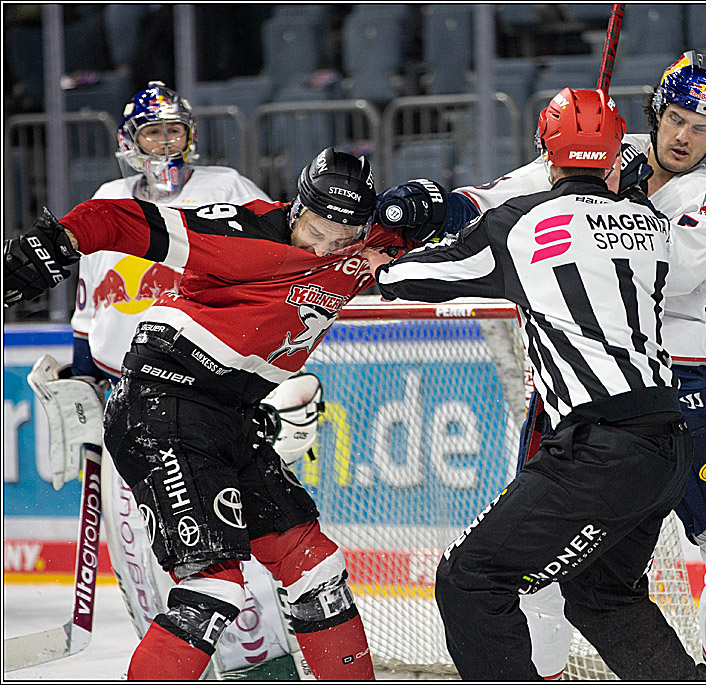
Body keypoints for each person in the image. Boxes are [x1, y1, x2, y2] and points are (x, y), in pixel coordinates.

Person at [374, 51, 706, 679]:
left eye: (702, 128)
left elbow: (665, 274)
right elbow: (501, 197)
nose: (684, 136)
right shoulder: (608, 148)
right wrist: (441, 206)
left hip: (678, 384)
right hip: (575, 388)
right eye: (676, 118)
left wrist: (603, 199)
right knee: (539, 579)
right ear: (656, 112)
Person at [3, 146, 432, 681]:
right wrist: (52, 243)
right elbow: (115, 219)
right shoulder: (239, 232)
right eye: (316, 231)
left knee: (315, 567)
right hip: (163, 406)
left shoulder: (369, 244)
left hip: (231, 415)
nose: (324, 248)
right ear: (298, 208)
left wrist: (428, 204)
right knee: (213, 588)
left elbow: (455, 218)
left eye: (341, 238)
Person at [63, 80, 310, 679]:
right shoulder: (109, 200)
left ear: (190, 135)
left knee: (236, 549)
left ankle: (265, 669)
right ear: (130, 141)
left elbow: (286, 278)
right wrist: (81, 386)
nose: (165, 143)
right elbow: (89, 312)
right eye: (152, 132)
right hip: (129, 406)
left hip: (213, 398)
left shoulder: (227, 189)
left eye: (174, 130)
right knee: (144, 565)